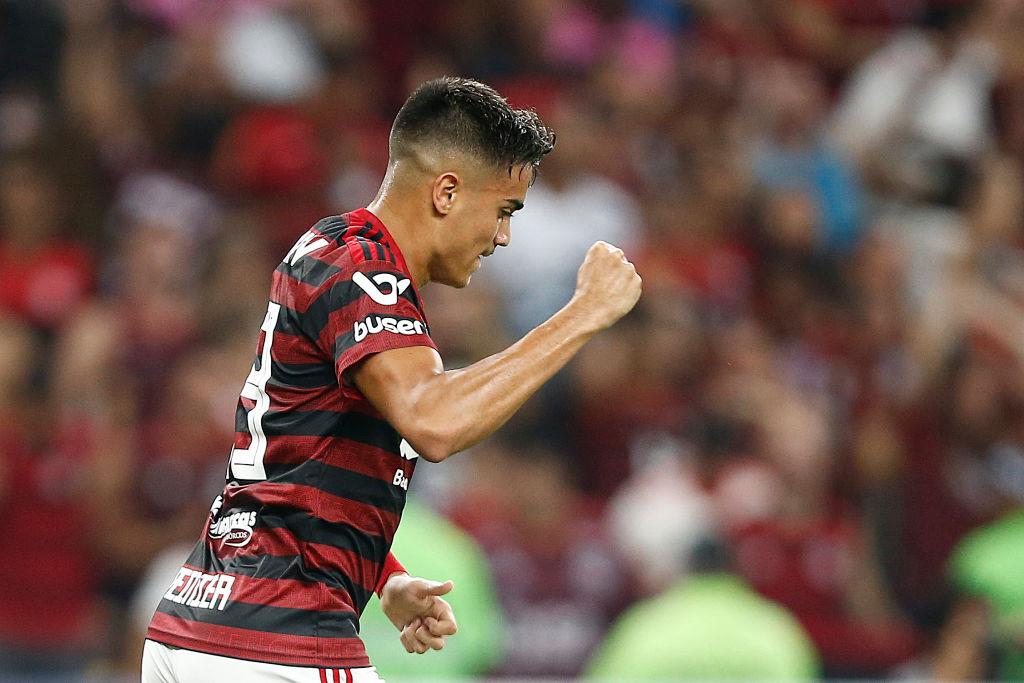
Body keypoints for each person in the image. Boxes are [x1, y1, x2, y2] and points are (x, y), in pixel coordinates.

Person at [141, 76, 642, 682]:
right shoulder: (366, 274)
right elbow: (435, 423)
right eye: (503, 210)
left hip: (202, 624)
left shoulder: (334, 250)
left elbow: (295, 460)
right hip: (276, 640)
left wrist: (382, 573)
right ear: (447, 192)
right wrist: (581, 315)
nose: (502, 237)